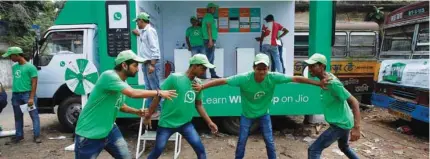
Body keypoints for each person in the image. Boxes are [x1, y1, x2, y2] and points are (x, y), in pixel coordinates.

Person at [193, 54, 328, 159]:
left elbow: (296, 79)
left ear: (268, 69)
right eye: (259, 68)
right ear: (254, 68)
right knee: (241, 142)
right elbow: (222, 81)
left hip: (264, 114)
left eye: (264, 68)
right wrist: (202, 86)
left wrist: (317, 83)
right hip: (247, 116)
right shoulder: (244, 78)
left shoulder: (273, 77)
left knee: (270, 142)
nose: (262, 71)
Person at [74, 50, 177, 159]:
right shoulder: (109, 76)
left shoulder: (122, 82)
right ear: (124, 65)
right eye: (135, 65)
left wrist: (136, 111)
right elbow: (133, 93)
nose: (138, 69)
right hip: (89, 134)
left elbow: (120, 105)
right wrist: (159, 92)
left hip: (109, 129)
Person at [144, 54, 218, 159]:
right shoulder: (174, 78)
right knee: (157, 151)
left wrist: (209, 122)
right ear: (194, 66)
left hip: (186, 124)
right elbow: (158, 97)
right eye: (203, 68)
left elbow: (199, 105)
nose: (205, 71)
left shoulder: (198, 84)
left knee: (201, 151)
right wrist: (148, 116)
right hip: (167, 124)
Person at [304, 53, 361, 159]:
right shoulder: (325, 78)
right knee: (344, 147)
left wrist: (356, 128)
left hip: (340, 124)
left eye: (313, 66)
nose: (310, 68)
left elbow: (354, 102)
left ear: (322, 67)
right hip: (344, 120)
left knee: (313, 150)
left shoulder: (333, 84)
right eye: (309, 66)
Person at [2, 46, 42, 144]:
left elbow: (34, 83)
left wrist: (31, 97)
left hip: (27, 95)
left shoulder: (31, 67)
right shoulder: (14, 67)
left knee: (34, 116)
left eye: (11, 56)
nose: (10, 58)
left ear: (16, 55)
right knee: (18, 116)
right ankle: (19, 136)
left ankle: (37, 136)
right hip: (16, 95)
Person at [132, 12, 162, 116]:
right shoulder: (145, 32)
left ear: (141, 20)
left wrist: (152, 65)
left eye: (137, 21)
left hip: (150, 63)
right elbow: (146, 41)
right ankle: (151, 110)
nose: (137, 23)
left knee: (154, 88)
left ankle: (158, 110)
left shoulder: (150, 31)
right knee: (148, 88)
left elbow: (155, 49)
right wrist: (139, 34)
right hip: (146, 63)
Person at [202, 2, 221, 78]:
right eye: (213, 8)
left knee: (211, 58)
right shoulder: (209, 16)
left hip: (210, 39)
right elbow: (208, 27)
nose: (215, 10)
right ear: (209, 8)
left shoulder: (208, 16)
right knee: (208, 58)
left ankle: (213, 74)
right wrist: (210, 40)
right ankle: (201, 75)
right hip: (209, 40)